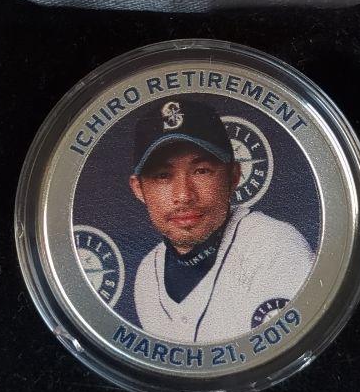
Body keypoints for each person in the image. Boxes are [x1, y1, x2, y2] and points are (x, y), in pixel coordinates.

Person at [128, 96, 314, 343]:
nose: (183, 195)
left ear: (233, 176)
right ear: (139, 189)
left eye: (201, 171)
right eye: (163, 175)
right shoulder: (147, 275)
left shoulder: (274, 247)